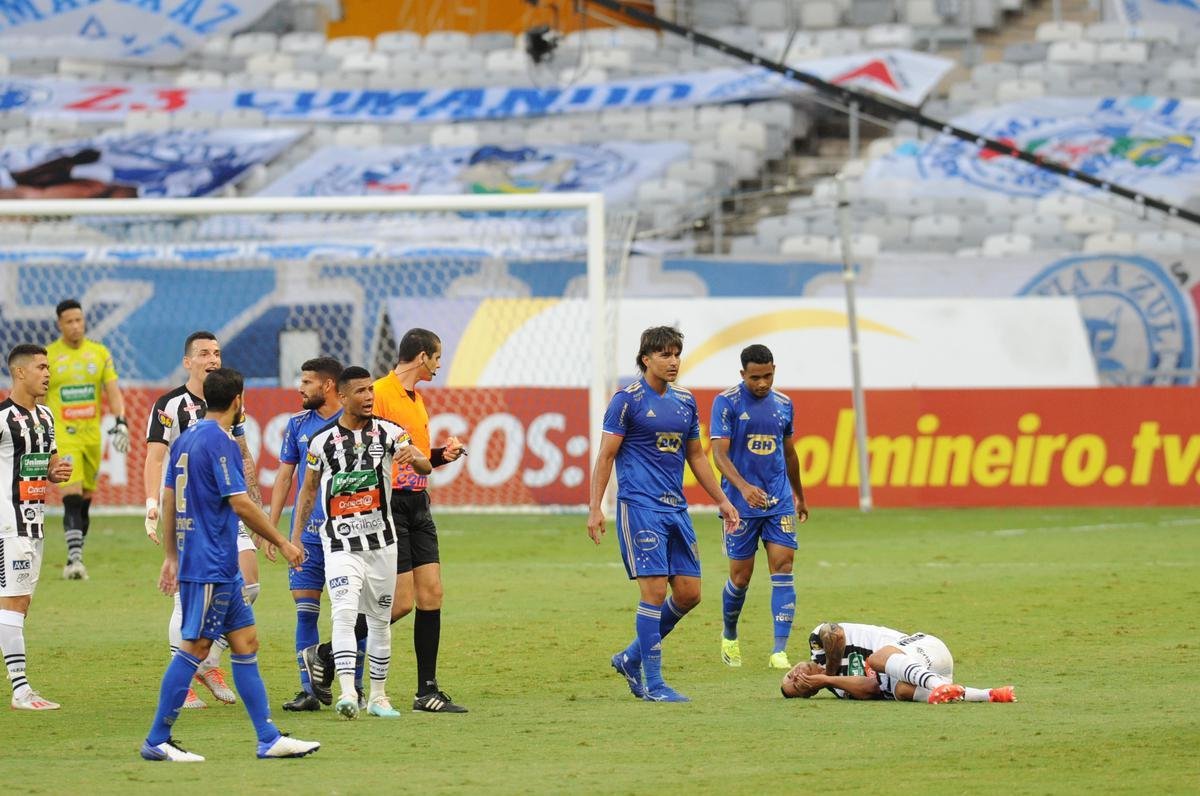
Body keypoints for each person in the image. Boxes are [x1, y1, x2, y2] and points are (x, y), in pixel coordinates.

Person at [140, 367, 319, 761]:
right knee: (195, 648)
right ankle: (156, 740)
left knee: (245, 642)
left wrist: (171, 554)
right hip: (209, 562)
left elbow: (169, 499)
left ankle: (268, 738)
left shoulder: (185, 438)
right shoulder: (220, 442)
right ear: (238, 401)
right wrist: (284, 543)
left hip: (213, 562)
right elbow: (240, 502)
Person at [300, 328, 468, 714]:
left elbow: (413, 457)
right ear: (422, 356)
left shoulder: (416, 399)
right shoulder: (379, 394)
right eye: (438, 357)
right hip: (387, 510)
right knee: (399, 604)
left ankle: (427, 690)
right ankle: (329, 653)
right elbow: (365, 446)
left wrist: (442, 455)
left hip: (418, 504)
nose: (440, 365)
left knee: (433, 594)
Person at [588, 326, 740, 703]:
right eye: (665, 355)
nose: (673, 362)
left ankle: (630, 657)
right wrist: (596, 508)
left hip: (676, 508)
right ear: (646, 359)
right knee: (654, 592)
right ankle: (654, 684)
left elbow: (697, 456)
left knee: (689, 594)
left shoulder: (685, 401)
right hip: (640, 508)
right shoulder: (627, 401)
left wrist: (721, 499)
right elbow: (606, 456)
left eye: (677, 354)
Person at [293, 366, 430, 720]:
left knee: (380, 620)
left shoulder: (390, 433)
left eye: (371, 390)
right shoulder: (321, 442)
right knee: (343, 612)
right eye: (360, 392)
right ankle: (348, 692)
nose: (369, 397)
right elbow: (308, 491)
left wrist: (413, 457)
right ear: (342, 396)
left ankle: (379, 697)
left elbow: (425, 465)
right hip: (340, 546)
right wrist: (294, 538)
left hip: (383, 544)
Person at [143, 331, 262, 710]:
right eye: (204, 353)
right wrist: (153, 505)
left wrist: (257, 509)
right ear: (188, 362)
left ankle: (206, 663)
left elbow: (242, 455)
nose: (213, 358)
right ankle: (189, 673)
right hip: (189, 510)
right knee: (185, 597)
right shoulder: (170, 405)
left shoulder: (228, 402)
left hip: (229, 507)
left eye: (217, 352)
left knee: (249, 583)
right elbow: (156, 458)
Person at [710, 344, 807, 670]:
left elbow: (789, 452)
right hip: (739, 506)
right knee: (741, 578)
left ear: (774, 370)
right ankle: (729, 635)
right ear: (743, 374)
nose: (762, 383)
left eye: (767, 376)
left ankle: (779, 651)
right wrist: (744, 487)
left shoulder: (784, 404)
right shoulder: (727, 403)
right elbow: (719, 454)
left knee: (783, 568)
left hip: (778, 502)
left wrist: (799, 495)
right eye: (755, 377)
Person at [267, 356, 344, 712]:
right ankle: (310, 690)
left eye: (307, 382)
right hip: (308, 536)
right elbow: (285, 477)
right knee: (305, 612)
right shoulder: (298, 424)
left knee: (350, 612)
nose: (300, 387)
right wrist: (271, 529)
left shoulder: (353, 423)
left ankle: (349, 684)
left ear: (328, 385)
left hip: (348, 534)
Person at [0, 345, 74, 710]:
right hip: (7, 526)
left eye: (48, 367)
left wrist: (54, 471)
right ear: (19, 372)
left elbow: (46, 463)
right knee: (12, 604)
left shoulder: (45, 416)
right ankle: (21, 690)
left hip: (34, 524)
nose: (47, 373)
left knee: (19, 605)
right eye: (41, 367)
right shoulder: (2, 419)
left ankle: (21, 688)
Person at [46, 298, 130, 581]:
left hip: (92, 437)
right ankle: (74, 561)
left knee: (84, 502)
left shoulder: (99, 353)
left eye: (78, 320)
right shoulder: (47, 357)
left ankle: (76, 553)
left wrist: (120, 422)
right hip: (63, 436)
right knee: (70, 498)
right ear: (60, 324)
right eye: (69, 321)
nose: (75, 326)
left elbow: (113, 391)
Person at [779, 621, 1016, 703]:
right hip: (926, 676)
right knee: (898, 691)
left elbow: (835, 634)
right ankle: (989, 694)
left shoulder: (816, 643)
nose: (797, 676)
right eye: (798, 684)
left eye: (790, 675)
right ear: (810, 692)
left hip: (926, 649)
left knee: (877, 659)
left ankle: (938, 686)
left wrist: (828, 671)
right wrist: (828, 680)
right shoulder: (841, 691)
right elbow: (872, 688)